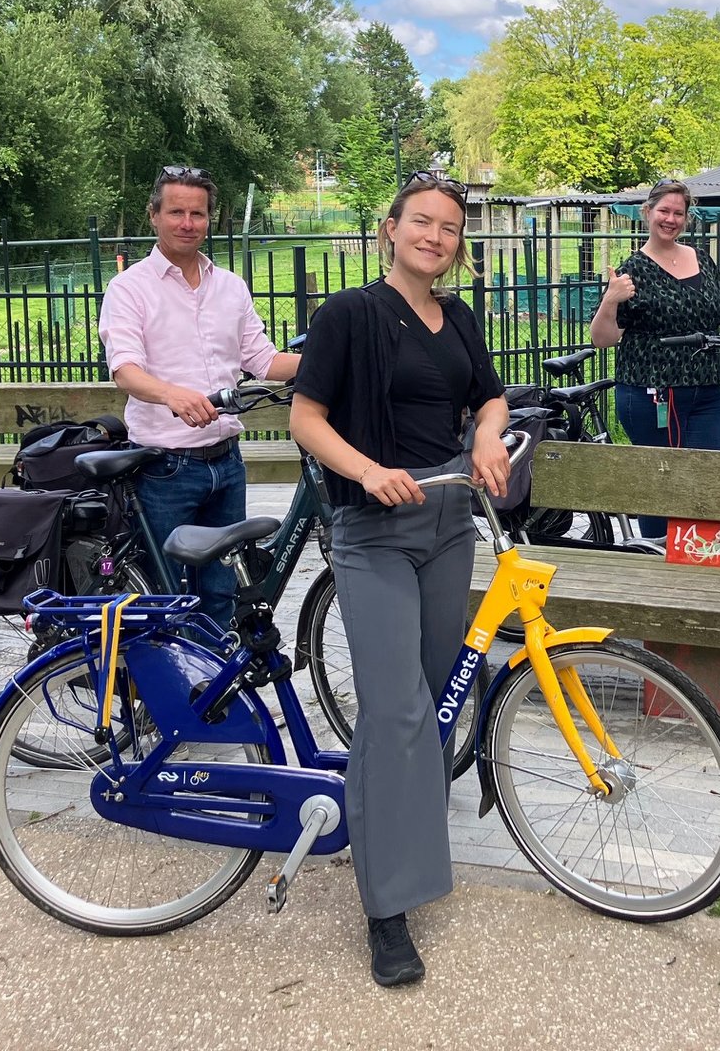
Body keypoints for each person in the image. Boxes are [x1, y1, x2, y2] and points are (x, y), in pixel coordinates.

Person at [287, 171, 510, 989]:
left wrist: (488, 436)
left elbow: (490, 400)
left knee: (437, 697)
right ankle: (385, 908)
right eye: (423, 222)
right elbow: (305, 418)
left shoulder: (460, 319)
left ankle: (411, 850)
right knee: (396, 710)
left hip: (450, 521)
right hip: (374, 527)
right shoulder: (348, 314)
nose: (437, 237)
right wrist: (369, 469)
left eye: (450, 228)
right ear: (390, 229)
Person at [97, 166, 300, 630]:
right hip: (164, 467)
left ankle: (212, 698)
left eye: (198, 213)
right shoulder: (129, 288)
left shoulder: (229, 286)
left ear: (210, 219)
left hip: (227, 464)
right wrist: (173, 395)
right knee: (166, 601)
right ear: (154, 216)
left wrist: (332, 357)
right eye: (176, 212)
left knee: (222, 595)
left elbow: (263, 360)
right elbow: (125, 370)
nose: (187, 223)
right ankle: (165, 698)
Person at [589, 179, 720, 535]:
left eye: (678, 213)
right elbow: (602, 338)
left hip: (708, 389)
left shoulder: (702, 259)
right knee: (661, 485)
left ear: (687, 218)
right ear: (647, 212)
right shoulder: (631, 271)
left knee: (709, 483)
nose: (670, 219)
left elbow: (718, 316)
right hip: (652, 393)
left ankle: (702, 566)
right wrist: (611, 299)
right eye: (664, 211)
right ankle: (656, 564)